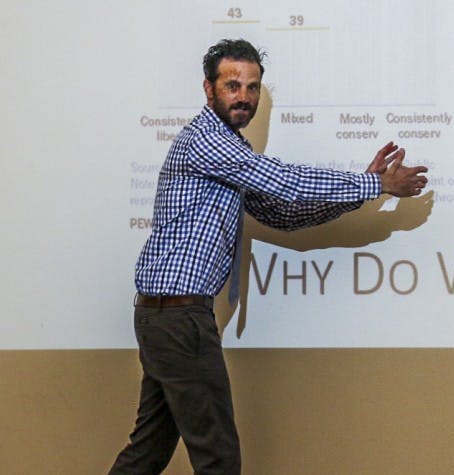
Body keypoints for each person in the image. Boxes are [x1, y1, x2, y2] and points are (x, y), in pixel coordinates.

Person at [109, 39, 427, 474]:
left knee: (146, 453)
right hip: (179, 319)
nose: (244, 97)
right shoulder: (207, 141)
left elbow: (282, 212)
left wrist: (363, 189)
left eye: (253, 87)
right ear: (209, 89)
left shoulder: (231, 152)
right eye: (233, 85)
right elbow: (286, 182)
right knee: (218, 459)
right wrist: (375, 186)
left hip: (167, 317)